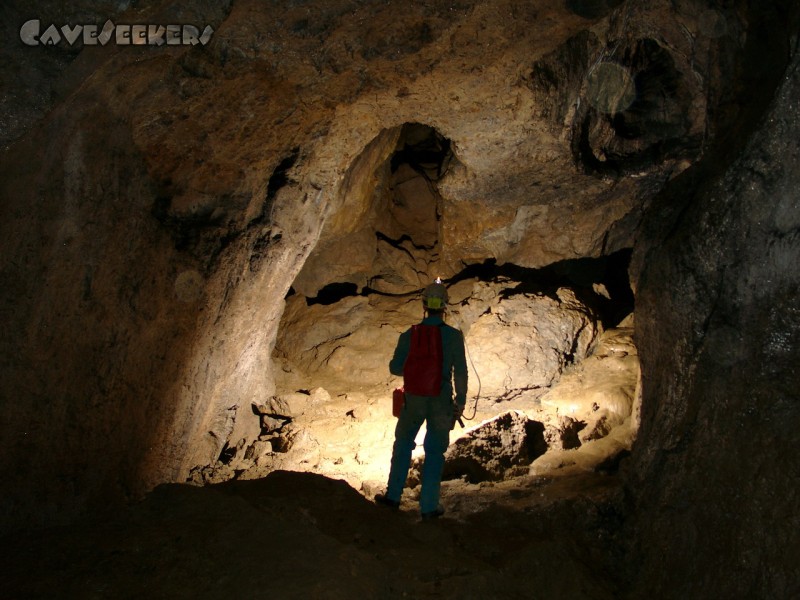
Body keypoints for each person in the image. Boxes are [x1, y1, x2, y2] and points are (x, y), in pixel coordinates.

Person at [375, 280, 468, 520]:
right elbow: (461, 372)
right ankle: (428, 508)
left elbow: (395, 368)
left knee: (403, 443)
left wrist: (415, 366)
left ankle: (393, 496)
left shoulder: (409, 335)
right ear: (445, 306)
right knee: (435, 452)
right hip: (441, 400)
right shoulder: (454, 336)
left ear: (424, 305)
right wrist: (461, 402)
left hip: (413, 398)